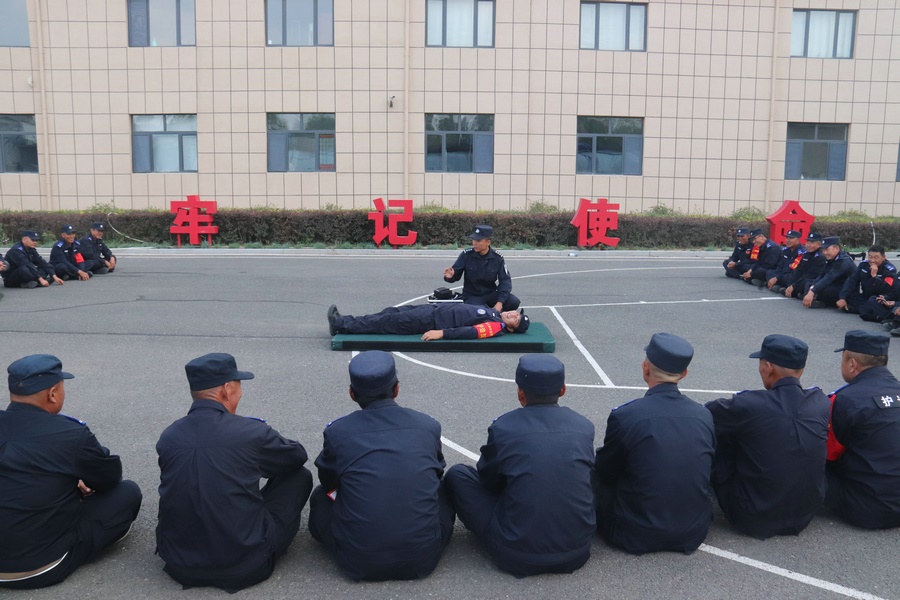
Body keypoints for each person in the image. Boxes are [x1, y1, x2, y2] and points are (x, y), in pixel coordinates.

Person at [156, 353, 313, 592]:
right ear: (227, 389)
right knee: (299, 476)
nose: (240, 393)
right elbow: (296, 457)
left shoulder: (169, 436)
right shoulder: (250, 432)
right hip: (245, 565)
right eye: (239, 386)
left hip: (180, 562)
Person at [308, 351, 454, 581]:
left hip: (357, 560)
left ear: (351, 393)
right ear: (396, 389)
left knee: (319, 497)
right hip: (423, 557)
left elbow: (329, 482)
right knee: (443, 486)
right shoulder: (427, 426)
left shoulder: (338, 432)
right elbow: (436, 473)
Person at [444, 355, 595, 577]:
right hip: (576, 551)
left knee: (457, 475)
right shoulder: (584, 426)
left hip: (515, 555)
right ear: (563, 389)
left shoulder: (504, 428)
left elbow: (489, 480)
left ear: (520, 393)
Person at [0, 354, 142, 589]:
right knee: (127, 492)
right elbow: (108, 479)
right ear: (53, 394)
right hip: (40, 566)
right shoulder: (70, 434)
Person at [595, 333, 715, 554]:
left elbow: (606, 471)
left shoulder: (627, 416)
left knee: (593, 475)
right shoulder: (703, 415)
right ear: (684, 374)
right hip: (693, 531)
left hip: (634, 533)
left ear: (645, 367)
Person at [705, 335, 830, 539]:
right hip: (805, 514)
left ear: (769, 367)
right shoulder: (820, 402)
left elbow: (703, 416)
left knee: (723, 435)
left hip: (752, 517)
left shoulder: (749, 404)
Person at [826, 330, 900, 529]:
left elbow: (828, 454)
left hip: (869, 510)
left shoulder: (845, 399)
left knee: (806, 457)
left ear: (852, 364)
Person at [327, 302, 530, 340]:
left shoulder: (495, 326)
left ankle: (340, 325)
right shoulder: (495, 314)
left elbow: (471, 332)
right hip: (432, 310)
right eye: (516, 313)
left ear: (512, 329)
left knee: (386, 322)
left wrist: (441, 333)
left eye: (516, 320)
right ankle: (345, 322)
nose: (513, 315)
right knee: (389, 313)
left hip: (429, 321)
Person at [443, 225, 520, 311]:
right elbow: (455, 274)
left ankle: (497, 316)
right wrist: (450, 276)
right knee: (476, 311)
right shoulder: (466, 255)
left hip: (490, 294)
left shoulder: (497, 258)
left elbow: (505, 281)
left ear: (488, 242)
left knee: (513, 302)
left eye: (478, 241)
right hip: (473, 296)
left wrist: (500, 302)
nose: (474, 243)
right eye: (473, 240)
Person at [836, 245, 897, 321]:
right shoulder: (863, 265)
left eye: (876, 257)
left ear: (883, 257)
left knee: (873, 301)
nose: (872, 260)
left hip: (880, 299)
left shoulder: (889, 270)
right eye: (870, 257)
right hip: (865, 297)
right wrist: (842, 298)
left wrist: (874, 276)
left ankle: (859, 310)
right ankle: (868, 310)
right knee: (846, 295)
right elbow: (852, 280)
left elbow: (886, 289)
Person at [802, 236, 854, 308]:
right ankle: (811, 299)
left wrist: (812, 291)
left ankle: (823, 302)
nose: (825, 253)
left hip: (845, 289)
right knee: (810, 283)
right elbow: (822, 275)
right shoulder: (831, 258)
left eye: (827, 249)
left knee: (825, 289)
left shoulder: (843, 261)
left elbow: (829, 277)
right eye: (823, 250)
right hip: (834, 284)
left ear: (836, 248)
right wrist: (812, 286)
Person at [784, 232, 826, 299]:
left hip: (813, 280)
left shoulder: (820, 257)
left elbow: (811, 275)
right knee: (788, 276)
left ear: (819, 244)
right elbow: (798, 270)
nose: (808, 245)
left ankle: (800, 293)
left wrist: (793, 286)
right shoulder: (806, 254)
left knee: (807, 283)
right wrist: (790, 284)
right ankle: (793, 291)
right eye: (807, 242)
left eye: (811, 243)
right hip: (802, 279)